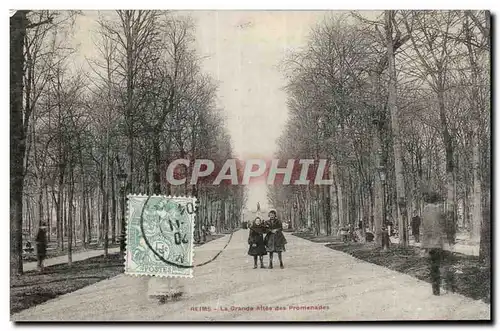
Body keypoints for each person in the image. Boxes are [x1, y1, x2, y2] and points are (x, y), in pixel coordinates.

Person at [421, 191, 456, 296]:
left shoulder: (424, 212)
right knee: (441, 264)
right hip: (437, 242)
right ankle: (446, 287)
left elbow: (424, 228)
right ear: (436, 200)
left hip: (428, 243)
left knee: (433, 266)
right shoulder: (439, 211)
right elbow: (445, 225)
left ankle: (435, 289)